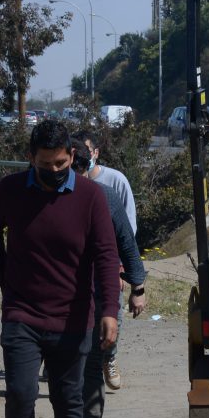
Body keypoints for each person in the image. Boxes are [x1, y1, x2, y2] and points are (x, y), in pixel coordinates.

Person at [0, 120, 120, 418]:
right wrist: (6, 278)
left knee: (68, 398)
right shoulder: (9, 190)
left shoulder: (91, 197)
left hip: (73, 317)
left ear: (72, 157)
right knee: (21, 394)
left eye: (61, 163)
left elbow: (107, 256)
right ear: (31, 158)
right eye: (46, 163)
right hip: (22, 314)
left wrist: (108, 310)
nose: (55, 170)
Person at [70, 138, 146, 418]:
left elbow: (126, 242)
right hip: (56, 298)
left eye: (73, 171)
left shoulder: (105, 196)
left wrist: (137, 286)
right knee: (65, 368)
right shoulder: (38, 198)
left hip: (98, 294)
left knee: (89, 363)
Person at [70, 129, 136, 391]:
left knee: (111, 316)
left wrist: (122, 268)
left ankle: (109, 357)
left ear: (94, 154)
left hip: (109, 265)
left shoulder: (114, 184)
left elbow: (126, 230)